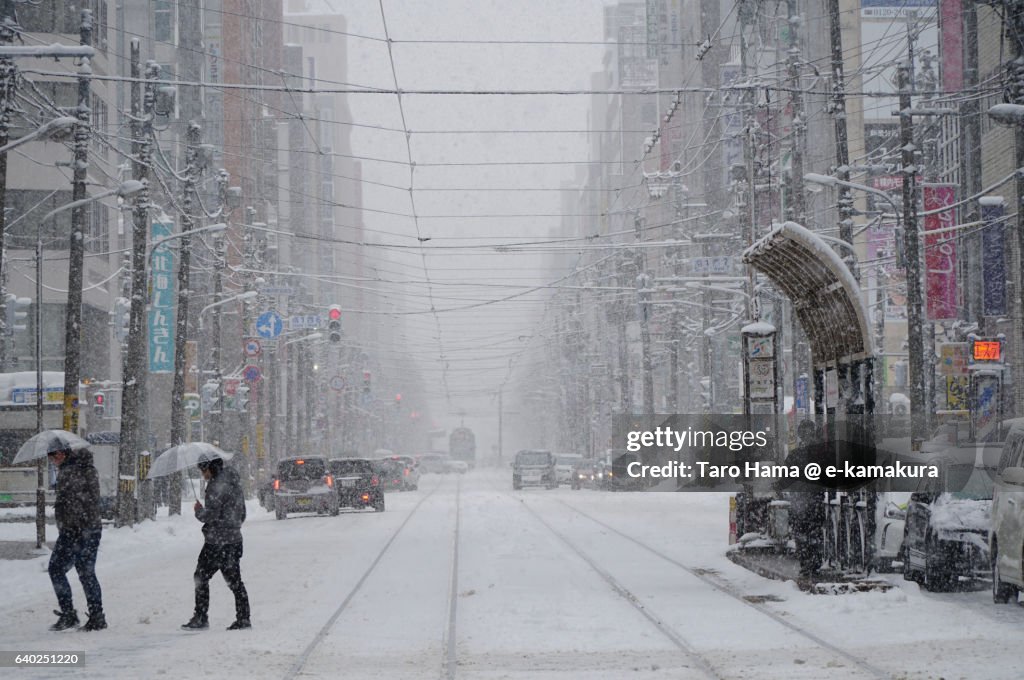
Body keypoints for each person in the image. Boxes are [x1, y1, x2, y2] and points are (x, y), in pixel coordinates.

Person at [182, 456, 250, 630]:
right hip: (234, 539)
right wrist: (232, 527)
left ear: (211, 468)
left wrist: (199, 511)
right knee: (235, 581)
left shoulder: (216, 486)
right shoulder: (234, 482)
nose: (203, 474)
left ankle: (201, 617)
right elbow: (242, 513)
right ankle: (244, 618)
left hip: (216, 542)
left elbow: (210, 515)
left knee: (200, 577)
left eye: (203, 470)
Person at [47, 447, 106, 631]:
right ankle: (90, 615)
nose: (52, 462)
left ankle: (80, 615)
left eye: (52, 457)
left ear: (60, 454)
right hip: (81, 528)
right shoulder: (81, 469)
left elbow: (79, 502)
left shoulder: (73, 471)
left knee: (76, 571)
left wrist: (72, 524)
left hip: (79, 530)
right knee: (79, 571)